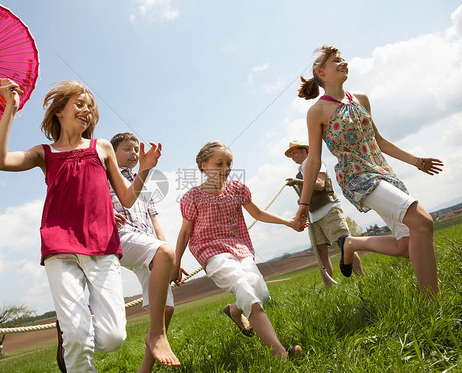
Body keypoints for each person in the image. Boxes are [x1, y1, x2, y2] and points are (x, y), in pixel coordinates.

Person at [0, 79, 163, 372]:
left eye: (90, 108)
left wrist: (144, 170)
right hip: (59, 247)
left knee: (113, 337)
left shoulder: (102, 147)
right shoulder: (44, 153)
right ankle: (74, 339)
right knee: (79, 339)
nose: (87, 111)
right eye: (79, 104)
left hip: (102, 246)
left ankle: (71, 337)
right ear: (59, 111)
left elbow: (128, 199)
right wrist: (11, 108)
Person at [296, 45, 443, 298]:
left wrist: (417, 161)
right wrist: (303, 203)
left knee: (407, 245)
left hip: (382, 172)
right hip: (357, 178)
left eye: (343, 59)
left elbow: (380, 141)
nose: (343, 63)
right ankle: (433, 303)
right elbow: (314, 162)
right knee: (422, 220)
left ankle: (352, 243)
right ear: (321, 72)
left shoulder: (361, 99)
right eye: (336, 61)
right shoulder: (317, 111)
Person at [172, 141, 306, 361]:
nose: (226, 168)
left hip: (240, 249)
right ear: (204, 165)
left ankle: (235, 311)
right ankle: (280, 353)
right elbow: (185, 232)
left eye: (229, 163)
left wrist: (289, 222)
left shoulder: (237, 189)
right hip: (212, 253)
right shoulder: (192, 197)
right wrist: (175, 265)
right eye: (219, 163)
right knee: (244, 286)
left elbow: (258, 213)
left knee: (260, 292)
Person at [109, 133, 182, 372]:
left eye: (135, 150)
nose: (133, 153)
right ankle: (157, 336)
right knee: (162, 253)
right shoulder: (106, 175)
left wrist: (169, 255)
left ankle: (144, 369)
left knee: (166, 309)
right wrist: (106, 213)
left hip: (148, 245)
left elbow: (154, 222)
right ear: (112, 153)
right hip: (122, 238)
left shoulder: (144, 186)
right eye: (127, 149)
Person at [285, 140, 363, 288]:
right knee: (321, 256)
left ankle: (362, 281)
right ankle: (329, 290)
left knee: (345, 245)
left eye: (295, 152)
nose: (293, 156)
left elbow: (320, 185)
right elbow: (308, 195)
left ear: (304, 151)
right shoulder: (299, 172)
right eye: (291, 154)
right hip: (313, 218)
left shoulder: (316, 163)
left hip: (329, 210)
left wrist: (298, 181)